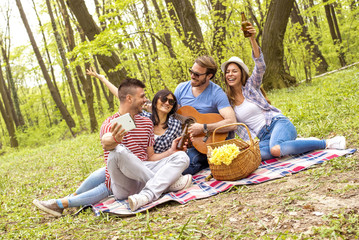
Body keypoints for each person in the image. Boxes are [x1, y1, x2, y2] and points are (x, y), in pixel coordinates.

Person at [33, 78, 191, 216]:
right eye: (142, 96)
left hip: (144, 173)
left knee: (182, 157)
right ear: (129, 98)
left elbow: (150, 157)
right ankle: (166, 185)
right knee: (117, 151)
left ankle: (156, 186)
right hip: (126, 184)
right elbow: (107, 141)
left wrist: (171, 151)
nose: (145, 100)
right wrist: (114, 139)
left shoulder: (146, 122)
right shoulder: (113, 122)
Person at [220, 22, 346, 161]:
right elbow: (235, 128)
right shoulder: (228, 103)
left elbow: (260, 65)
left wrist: (252, 39)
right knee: (253, 157)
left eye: (234, 71)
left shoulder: (251, 87)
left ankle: (328, 143)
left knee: (275, 150)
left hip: (277, 123)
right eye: (228, 72)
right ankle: (297, 144)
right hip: (263, 138)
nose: (230, 74)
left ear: (242, 73)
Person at [174, 56, 237, 175]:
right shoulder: (181, 89)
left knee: (186, 165)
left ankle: (208, 158)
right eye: (191, 71)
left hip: (208, 140)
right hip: (188, 142)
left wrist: (203, 127)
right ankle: (208, 160)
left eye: (197, 74)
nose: (192, 76)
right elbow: (172, 114)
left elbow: (232, 123)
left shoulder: (217, 93)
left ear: (209, 76)